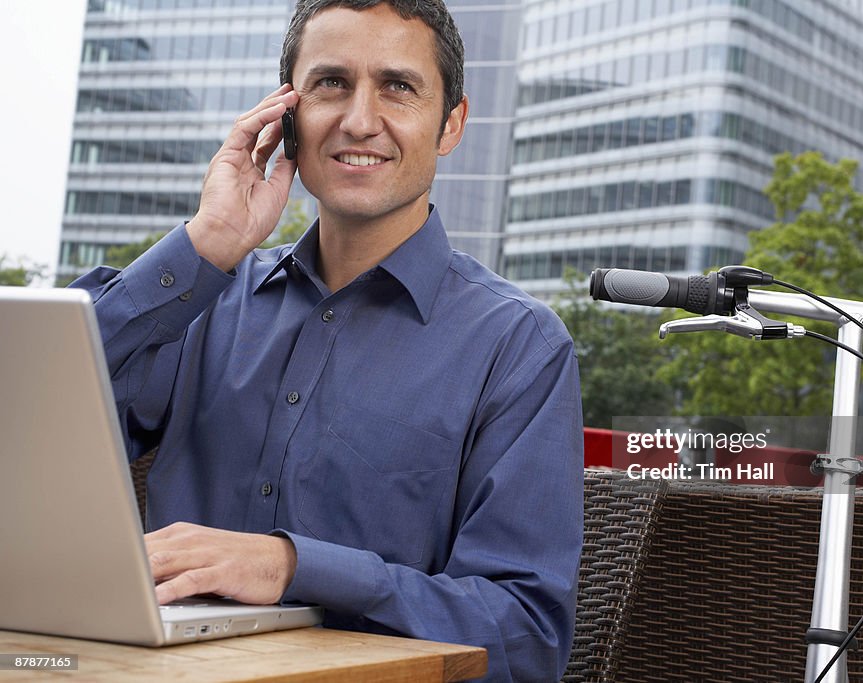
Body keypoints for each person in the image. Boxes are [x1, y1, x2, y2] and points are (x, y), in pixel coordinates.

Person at [71, 1, 584, 680]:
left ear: (451, 123)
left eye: (397, 87)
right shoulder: (203, 294)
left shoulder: (519, 346)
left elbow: (526, 635)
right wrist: (207, 243)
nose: (359, 120)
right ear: (288, 115)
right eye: (331, 84)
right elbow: (34, 424)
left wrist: (293, 566)